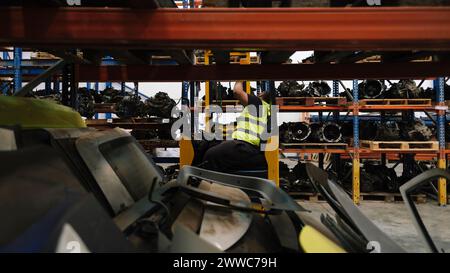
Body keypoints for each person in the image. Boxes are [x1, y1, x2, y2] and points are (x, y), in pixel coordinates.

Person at [193, 81, 272, 172]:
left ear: (262, 96)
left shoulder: (258, 102)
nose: (256, 94)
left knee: (211, 154)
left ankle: (204, 181)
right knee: (207, 145)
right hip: (246, 145)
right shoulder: (264, 109)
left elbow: (237, 92)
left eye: (260, 93)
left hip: (246, 146)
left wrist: (239, 77)